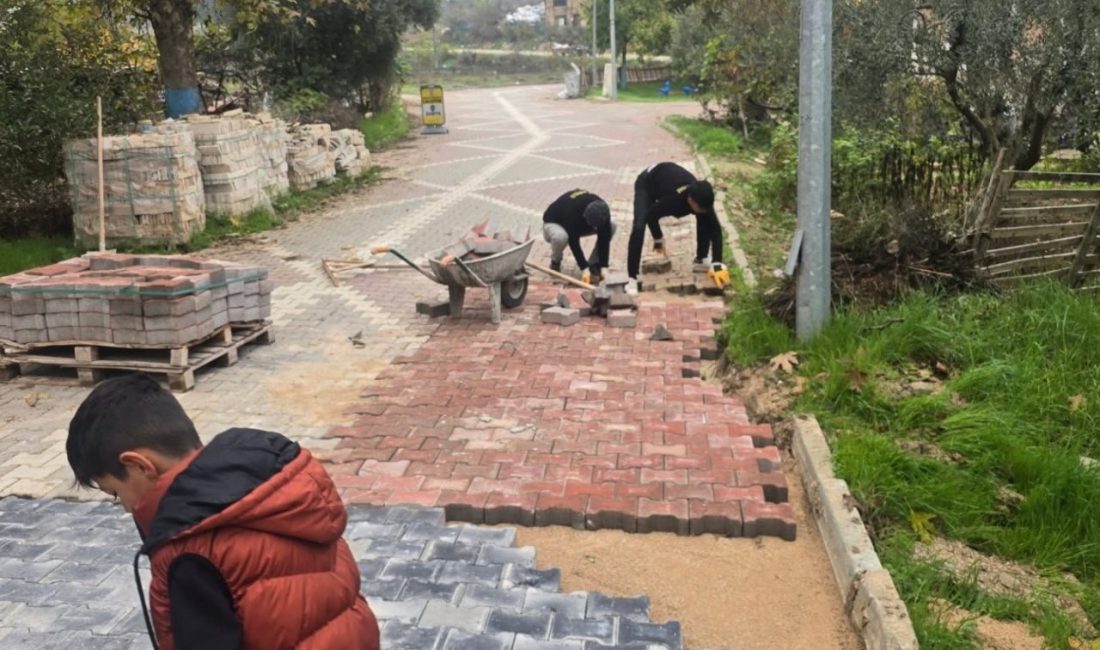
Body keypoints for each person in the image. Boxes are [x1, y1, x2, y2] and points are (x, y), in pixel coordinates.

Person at [65, 373, 379, 650]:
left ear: (140, 466)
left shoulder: (191, 552)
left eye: (114, 492)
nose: (122, 506)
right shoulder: (274, 486)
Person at [627, 162, 726, 289]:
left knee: (706, 217)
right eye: (701, 207)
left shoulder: (701, 195)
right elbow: (651, 216)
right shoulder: (672, 201)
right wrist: (658, 240)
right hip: (647, 182)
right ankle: (632, 278)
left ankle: (701, 258)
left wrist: (717, 264)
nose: (705, 210)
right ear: (690, 200)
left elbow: (715, 230)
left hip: (668, 177)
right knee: (639, 226)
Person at [542, 189, 616, 285]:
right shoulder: (572, 213)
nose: (594, 229)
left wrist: (604, 267)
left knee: (612, 226)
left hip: (580, 223)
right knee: (561, 237)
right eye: (593, 226)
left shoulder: (603, 210)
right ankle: (555, 262)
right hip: (553, 223)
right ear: (585, 216)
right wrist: (584, 268)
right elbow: (574, 242)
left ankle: (594, 264)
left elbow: (604, 237)